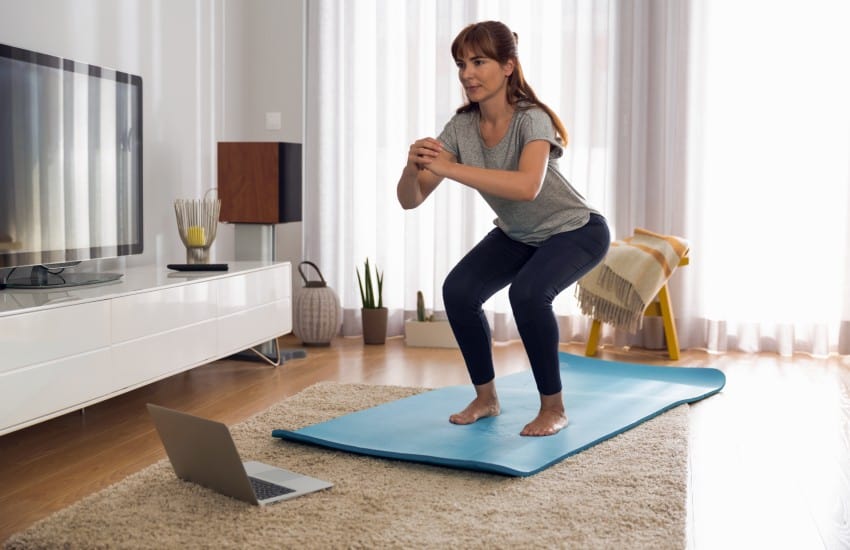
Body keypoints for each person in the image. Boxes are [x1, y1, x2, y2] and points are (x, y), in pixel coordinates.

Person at [396, 21, 610, 436]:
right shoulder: (460, 127)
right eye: (461, 64)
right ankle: (486, 397)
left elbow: (527, 187)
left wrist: (451, 168)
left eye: (479, 62)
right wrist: (411, 167)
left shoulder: (533, 119)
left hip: (576, 230)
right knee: (458, 291)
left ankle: (553, 408)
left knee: (528, 294)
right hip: (519, 235)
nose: (467, 74)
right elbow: (411, 198)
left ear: (508, 66)